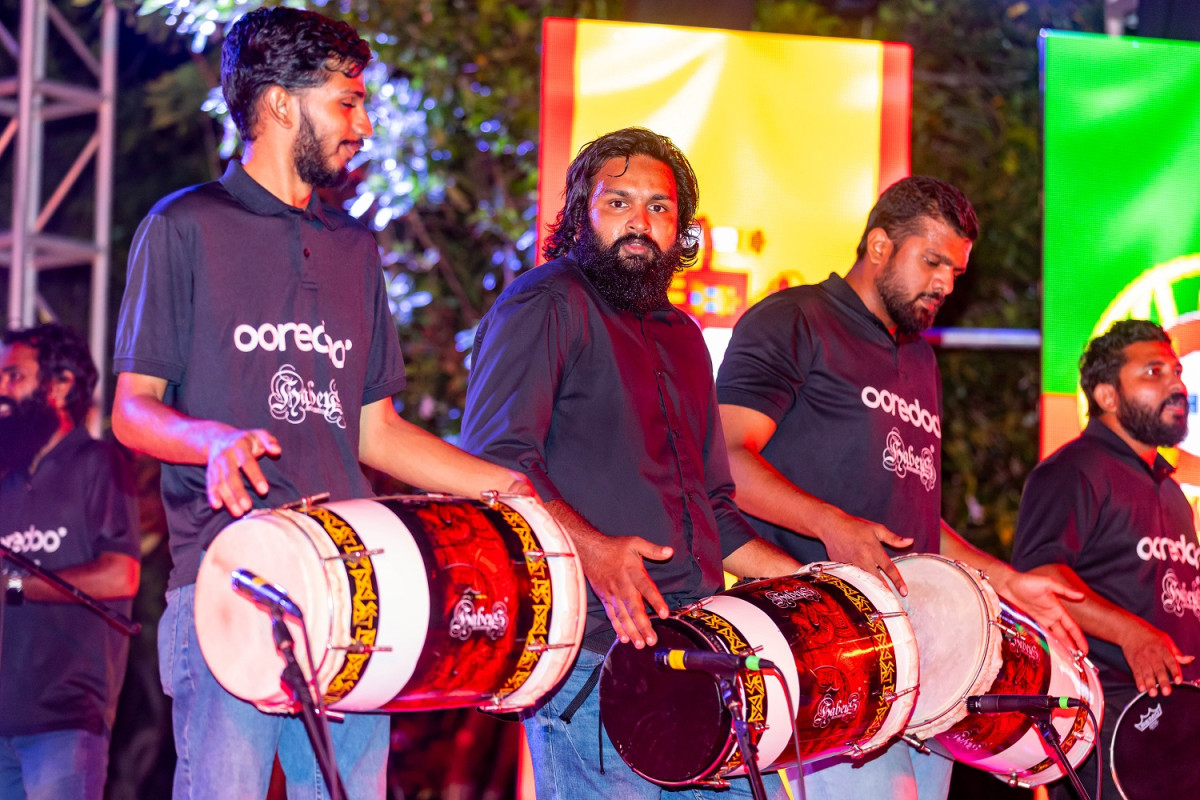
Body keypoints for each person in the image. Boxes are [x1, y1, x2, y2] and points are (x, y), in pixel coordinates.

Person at [110, 7, 528, 799]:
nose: (363, 126)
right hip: (231, 580)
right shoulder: (184, 225)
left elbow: (377, 432)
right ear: (278, 103)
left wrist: (507, 488)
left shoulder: (355, 248)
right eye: (347, 102)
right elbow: (132, 411)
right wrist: (212, 441)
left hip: (354, 588)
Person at [715, 176, 1086, 799]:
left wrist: (1006, 581)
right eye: (932, 261)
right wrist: (830, 524)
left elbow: (913, 525)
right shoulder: (795, 320)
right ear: (880, 245)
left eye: (955, 272)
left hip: (918, 660)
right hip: (822, 652)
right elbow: (725, 457)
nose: (945, 284)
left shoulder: (919, 360)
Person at [460, 127, 802, 799]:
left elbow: (713, 509)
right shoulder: (546, 302)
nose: (640, 222)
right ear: (579, 213)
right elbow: (494, 460)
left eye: (659, 207)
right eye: (618, 203)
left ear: (681, 228)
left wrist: (802, 582)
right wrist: (594, 550)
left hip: (700, 654)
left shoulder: (684, 337)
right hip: (593, 656)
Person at [1012, 319, 1199, 800]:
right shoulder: (1073, 470)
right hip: (1107, 729)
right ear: (1107, 396)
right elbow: (1039, 577)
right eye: (1154, 372)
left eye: (1177, 372)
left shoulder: (1172, 491)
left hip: (1180, 732)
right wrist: (1131, 634)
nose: (1177, 385)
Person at [0, 323, 140, 800]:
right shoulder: (6, 479)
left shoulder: (99, 462)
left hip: (65, 718)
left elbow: (121, 574)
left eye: (14, 376)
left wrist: (14, 584)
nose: (2, 389)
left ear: (60, 386)